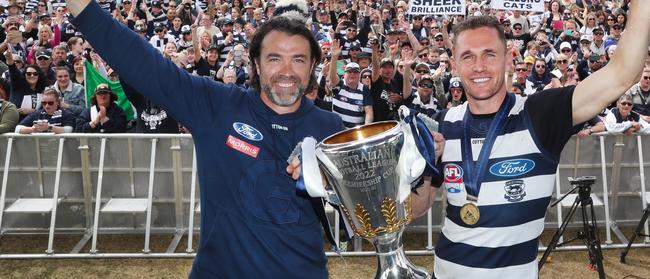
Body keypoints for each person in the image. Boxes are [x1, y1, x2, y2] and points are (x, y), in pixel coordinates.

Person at [65, 0, 344, 278]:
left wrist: (333, 179)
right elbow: (143, 62)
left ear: (312, 67)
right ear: (256, 64)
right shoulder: (216, 105)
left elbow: (360, 214)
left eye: (298, 59)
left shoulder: (330, 126)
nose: (287, 71)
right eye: (274, 58)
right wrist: (84, 9)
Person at [410, 4, 650, 277]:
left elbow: (622, 74)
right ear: (454, 64)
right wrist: (426, 169)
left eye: (489, 54)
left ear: (508, 59)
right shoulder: (442, 124)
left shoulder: (539, 114)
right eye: (467, 56)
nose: (478, 66)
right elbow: (418, 209)